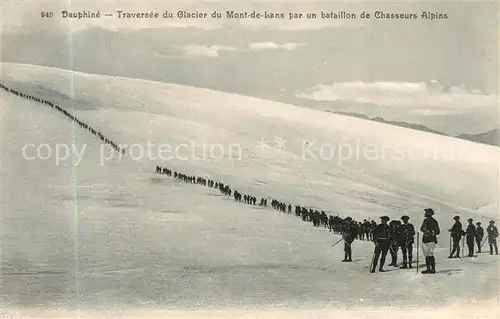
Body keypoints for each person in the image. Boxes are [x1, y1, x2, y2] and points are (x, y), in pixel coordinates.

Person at [420, 208, 440, 274]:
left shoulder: (434, 221)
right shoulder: (425, 220)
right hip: (425, 239)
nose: (425, 213)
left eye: (426, 212)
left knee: (430, 254)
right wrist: (424, 229)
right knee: (426, 255)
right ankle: (428, 269)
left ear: (430, 213)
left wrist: (430, 232)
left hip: (431, 240)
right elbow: (421, 228)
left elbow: (437, 231)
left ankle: (433, 269)